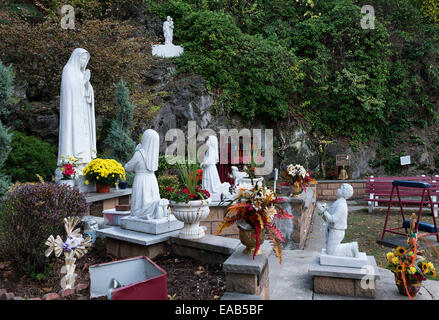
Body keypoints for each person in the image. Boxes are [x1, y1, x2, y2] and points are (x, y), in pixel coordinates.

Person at [57, 48, 96, 169]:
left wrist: (86, 83)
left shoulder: (81, 73)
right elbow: (69, 90)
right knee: (73, 135)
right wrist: (83, 82)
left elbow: (88, 95)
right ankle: (71, 163)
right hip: (73, 112)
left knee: (84, 135)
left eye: (86, 59)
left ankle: (84, 160)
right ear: (76, 58)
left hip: (83, 112)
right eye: (83, 59)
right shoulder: (68, 70)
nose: (84, 62)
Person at [124, 129, 168, 220]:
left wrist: (137, 151)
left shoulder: (140, 153)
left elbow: (128, 167)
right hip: (152, 179)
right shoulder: (153, 155)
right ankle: (156, 208)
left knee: (139, 207)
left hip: (141, 179)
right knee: (152, 199)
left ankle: (150, 210)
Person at [317, 183, 360, 257]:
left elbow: (333, 219)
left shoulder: (342, 205)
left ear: (344, 193)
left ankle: (352, 246)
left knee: (330, 252)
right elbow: (332, 212)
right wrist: (326, 209)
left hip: (337, 231)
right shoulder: (338, 201)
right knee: (330, 250)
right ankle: (350, 249)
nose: (338, 189)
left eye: (340, 188)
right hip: (333, 229)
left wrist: (324, 211)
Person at [200, 136, 231, 201]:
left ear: (211, 142)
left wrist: (202, 164)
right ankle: (208, 194)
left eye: (208, 140)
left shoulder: (211, 150)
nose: (206, 142)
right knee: (211, 183)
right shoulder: (209, 150)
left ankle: (210, 194)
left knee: (211, 183)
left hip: (209, 169)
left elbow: (209, 161)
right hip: (209, 169)